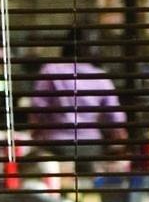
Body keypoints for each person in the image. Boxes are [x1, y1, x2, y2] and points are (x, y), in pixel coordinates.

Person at [25, 26, 126, 169]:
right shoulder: (100, 78)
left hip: (56, 145)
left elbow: (37, 109)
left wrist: (36, 136)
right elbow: (115, 120)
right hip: (90, 146)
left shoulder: (51, 70)